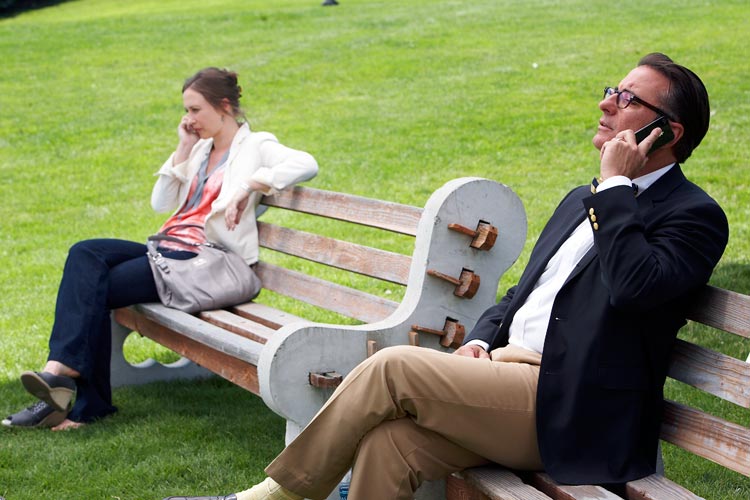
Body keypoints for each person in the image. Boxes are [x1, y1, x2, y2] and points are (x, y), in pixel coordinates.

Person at [163, 53, 728, 500]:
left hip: (572, 409)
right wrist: (480, 339)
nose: (605, 103)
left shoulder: (691, 216)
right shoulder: (586, 197)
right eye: (612, 90)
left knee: (392, 368)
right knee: (391, 445)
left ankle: (276, 496)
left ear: (667, 132)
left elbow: (634, 286)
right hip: (506, 379)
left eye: (627, 99)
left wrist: (618, 187)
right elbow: (525, 293)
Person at [2, 67, 318, 431]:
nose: (189, 119)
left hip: (204, 259)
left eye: (196, 110)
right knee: (85, 252)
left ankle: (70, 387)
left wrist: (248, 187)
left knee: (94, 288)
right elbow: (161, 202)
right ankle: (65, 377)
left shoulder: (256, 144)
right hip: (167, 249)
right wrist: (183, 148)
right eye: (186, 110)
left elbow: (306, 163)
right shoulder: (200, 149)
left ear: (224, 106)